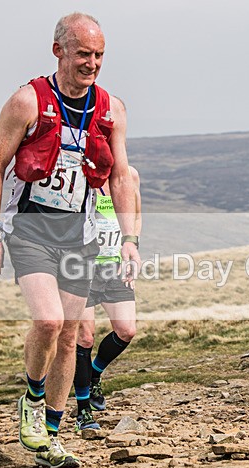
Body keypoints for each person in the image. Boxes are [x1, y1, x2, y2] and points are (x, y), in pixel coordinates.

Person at [0, 12, 139, 468]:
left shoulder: (111, 109)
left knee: (70, 336)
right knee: (48, 322)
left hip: (80, 233)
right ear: (59, 52)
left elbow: (120, 175)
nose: (92, 63)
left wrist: (129, 238)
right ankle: (31, 398)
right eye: (84, 54)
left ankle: (49, 435)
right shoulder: (27, 101)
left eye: (99, 55)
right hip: (30, 229)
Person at [73, 165, 141, 431]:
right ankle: (83, 411)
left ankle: (95, 374)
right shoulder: (80, 174)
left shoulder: (130, 176)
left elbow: (136, 218)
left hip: (115, 265)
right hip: (80, 266)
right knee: (84, 337)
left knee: (126, 330)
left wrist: (133, 249)